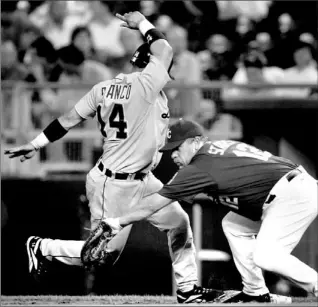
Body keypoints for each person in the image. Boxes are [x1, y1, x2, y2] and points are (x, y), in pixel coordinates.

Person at [4, 11, 221, 304]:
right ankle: (43, 247)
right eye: (162, 68)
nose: (167, 73)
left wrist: (36, 143)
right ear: (149, 65)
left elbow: (67, 120)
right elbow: (164, 49)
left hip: (143, 180)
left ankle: (187, 291)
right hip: (114, 185)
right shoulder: (146, 86)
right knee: (102, 255)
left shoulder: (104, 88)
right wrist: (142, 22)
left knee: (178, 222)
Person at [100, 119, 318, 303]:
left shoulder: (199, 165)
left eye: (177, 148)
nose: (173, 154)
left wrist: (118, 221)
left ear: (196, 142)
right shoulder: (213, 152)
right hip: (288, 188)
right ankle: (256, 292)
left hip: (292, 195)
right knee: (233, 225)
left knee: (266, 255)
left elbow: (155, 203)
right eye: (170, 150)